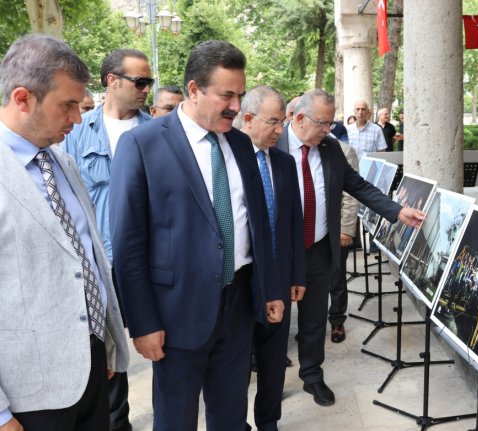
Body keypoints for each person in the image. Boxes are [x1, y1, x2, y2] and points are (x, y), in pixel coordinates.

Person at [110, 40, 282, 431]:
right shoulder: (142, 144)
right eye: (226, 95)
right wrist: (142, 322)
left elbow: (256, 223)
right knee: (175, 419)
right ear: (193, 90)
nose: (236, 106)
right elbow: (128, 244)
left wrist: (270, 288)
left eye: (239, 94)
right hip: (175, 314)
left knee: (230, 414)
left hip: (237, 306)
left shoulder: (240, 143)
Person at [0, 33, 129, 431]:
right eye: (67, 105)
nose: (78, 117)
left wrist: (105, 343)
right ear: (23, 98)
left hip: (91, 373)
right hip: (28, 397)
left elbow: (86, 257)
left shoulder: (63, 162)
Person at [276, 89, 424, 407]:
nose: (328, 130)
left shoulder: (330, 148)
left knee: (315, 317)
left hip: (317, 248)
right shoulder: (270, 144)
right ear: (298, 118)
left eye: (331, 123)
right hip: (279, 252)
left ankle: (312, 376)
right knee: (277, 320)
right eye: (323, 123)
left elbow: (356, 184)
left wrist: (396, 210)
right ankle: (272, 384)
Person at [63, 49, 153, 431]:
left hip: (150, 263)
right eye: (140, 81)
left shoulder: (158, 134)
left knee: (159, 342)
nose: (146, 89)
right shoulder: (77, 134)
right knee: (109, 355)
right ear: (111, 81)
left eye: (149, 81)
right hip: (100, 263)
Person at [240, 85, 306, 431]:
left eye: (283, 122)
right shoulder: (230, 158)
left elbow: (293, 221)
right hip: (241, 280)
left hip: (280, 277)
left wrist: (297, 275)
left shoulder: (283, 161)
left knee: (273, 359)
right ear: (248, 119)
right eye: (274, 123)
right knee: (236, 362)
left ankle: (268, 421)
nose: (281, 131)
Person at [328, 139, 359, 343]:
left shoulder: (344, 150)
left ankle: (337, 320)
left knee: (336, 277)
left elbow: (350, 192)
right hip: (303, 231)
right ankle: (309, 323)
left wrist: (347, 228)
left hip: (336, 228)